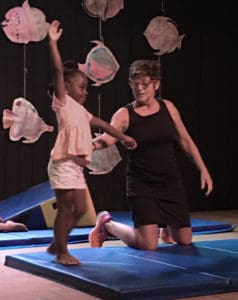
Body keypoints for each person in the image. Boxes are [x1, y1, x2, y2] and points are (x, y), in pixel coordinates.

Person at [89, 59, 213, 251]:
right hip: (142, 184)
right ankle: (107, 225)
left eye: (145, 84)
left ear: (155, 84)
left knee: (185, 240)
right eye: (135, 84)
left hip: (170, 181)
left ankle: (165, 225)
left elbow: (186, 141)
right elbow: (108, 137)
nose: (140, 88)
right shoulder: (124, 114)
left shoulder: (169, 108)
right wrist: (93, 145)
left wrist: (203, 169)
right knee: (147, 245)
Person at [47, 20, 137, 266]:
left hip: (76, 166)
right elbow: (57, 71)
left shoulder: (82, 111)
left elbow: (103, 123)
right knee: (68, 208)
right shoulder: (63, 103)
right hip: (63, 163)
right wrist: (52, 43)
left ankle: (58, 242)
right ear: (66, 88)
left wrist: (123, 137)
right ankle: (61, 252)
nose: (86, 92)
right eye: (82, 87)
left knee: (77, 210)